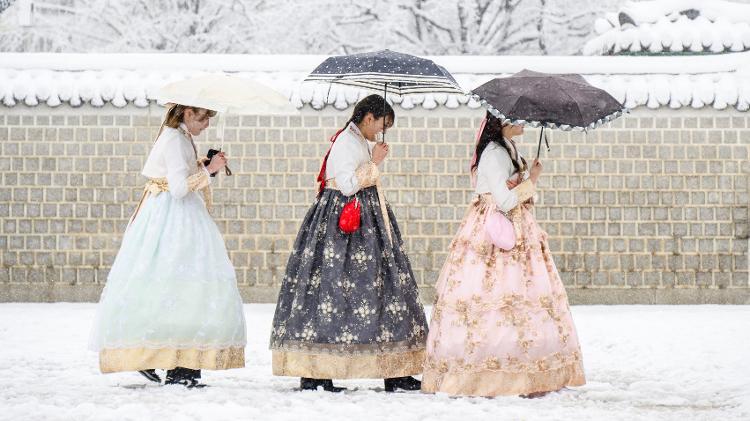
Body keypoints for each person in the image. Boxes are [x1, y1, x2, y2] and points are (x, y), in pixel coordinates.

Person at [270, 94, 427, 392]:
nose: (381, 132)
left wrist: (372, 161)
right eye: (381, 125)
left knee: (385, 289)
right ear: (368, 118)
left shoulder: (356, 141)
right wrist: (375, 163)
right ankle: (316, 371)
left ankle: (396, 368)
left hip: (366, 222)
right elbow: (347, 185)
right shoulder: (346, 141)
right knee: (332, 291)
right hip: (344, 225)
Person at [421, 112, 585, 397]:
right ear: (502, 123)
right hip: (494, 230)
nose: (525, 124)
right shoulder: (494, 153)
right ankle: (486, 369)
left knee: (520, 297)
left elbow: (513, 192)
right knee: (491, 296)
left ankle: (522, 365)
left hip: (513, 224)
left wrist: (527, 179)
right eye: (519, 120)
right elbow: (505, 200)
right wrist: (530, 181)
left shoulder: (509, 148)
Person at [89, 104, 247, 388]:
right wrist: (210, 170)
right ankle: (170, 363)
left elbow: (179, 173)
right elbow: (177, 188)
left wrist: (202, 163)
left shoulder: (180, 136)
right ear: (187, 114)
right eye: (202, 118)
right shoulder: (174, 138)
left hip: (175, 215)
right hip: (174, 219)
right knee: (179, 284)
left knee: (178, 286)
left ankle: (171, 361)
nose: (207, 124)